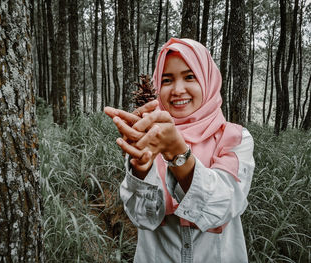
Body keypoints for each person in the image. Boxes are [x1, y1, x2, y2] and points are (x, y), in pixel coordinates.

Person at [104, 38, 255, 263]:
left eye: (190, 76)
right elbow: (140, 217)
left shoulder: (235, 138)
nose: (177, 90)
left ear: (208, 80)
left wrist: (176, 152)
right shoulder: (147, 136)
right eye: (167, 80)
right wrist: (141, 168)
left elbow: (224, 205)